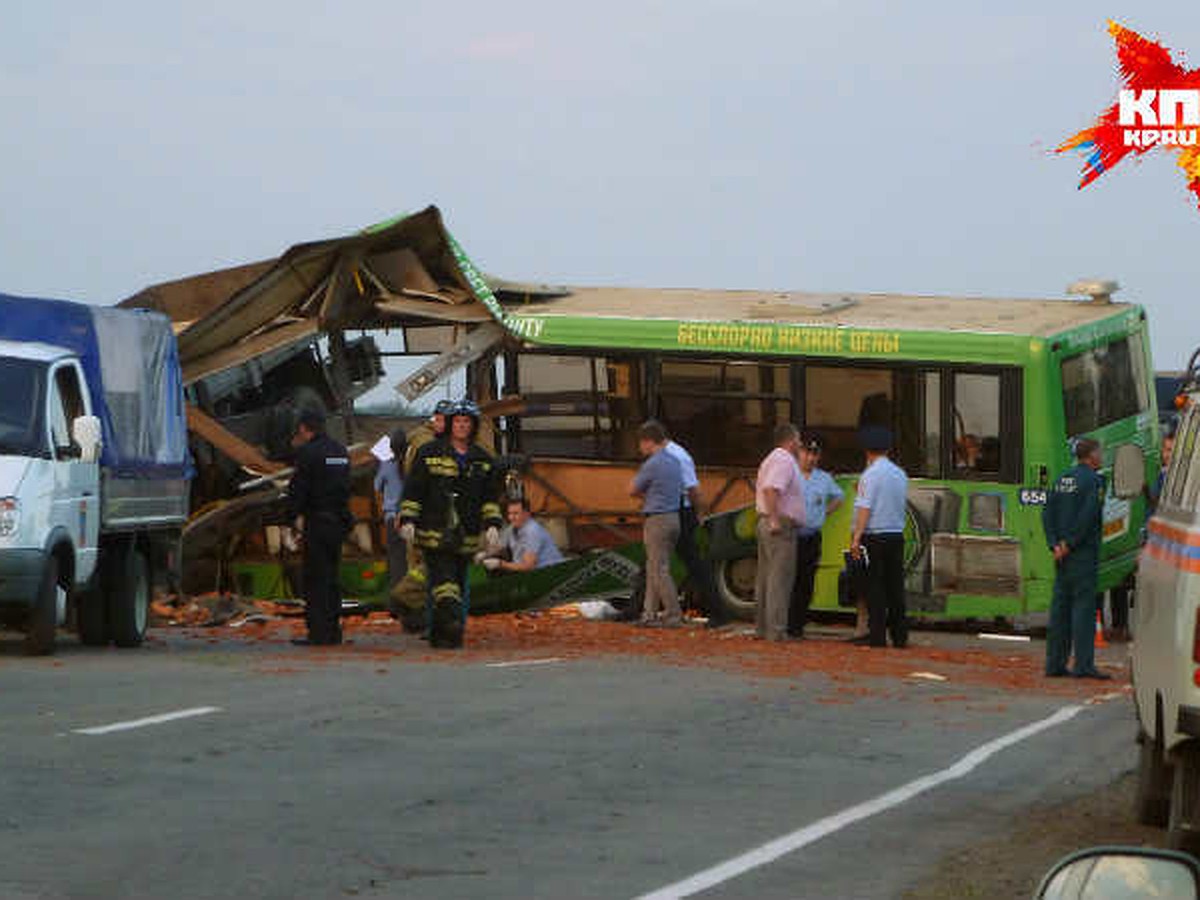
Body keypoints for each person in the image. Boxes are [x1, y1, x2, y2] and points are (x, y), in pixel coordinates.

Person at [399, 399, 502, 649]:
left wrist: (492, 524)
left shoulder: (483, 459)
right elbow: (414, 490)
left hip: (465, 537)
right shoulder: (429, 453)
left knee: (452, 582)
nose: (462, 426)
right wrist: (408, 519)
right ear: (449, 424)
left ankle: (442, 635)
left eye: (467, 422)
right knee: (445, 584)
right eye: (457, 421)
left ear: (474, 425)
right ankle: (452, 629)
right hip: (434, 533)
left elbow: (489, 497)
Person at [1043, 437, 1110, 679]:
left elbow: (1046, 513)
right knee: (1083, 609)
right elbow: (1088, 516)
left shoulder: (1062, 479)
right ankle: (1083, 665)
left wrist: (1055, 545)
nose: (1101, 456)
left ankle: (1054, 664)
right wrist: (1069, 544)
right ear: (1091, 456)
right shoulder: (1095, 481)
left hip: (1060, 556)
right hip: (1081, 554)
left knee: (1060, 609)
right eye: (1099, 452)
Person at [285, 407, 353, 646]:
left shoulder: (308, 453)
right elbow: (346, 486)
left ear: (304, 429)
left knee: (315, 579)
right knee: (332, 578)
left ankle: (318, 634)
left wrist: (290, 519)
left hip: (317, 522)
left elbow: (298, 490)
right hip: (338, 522)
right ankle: (334, 631)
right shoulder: (340, 451)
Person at [850, 426, 909, 649]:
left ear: (867, 450)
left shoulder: (869, 475)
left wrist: (856, 538)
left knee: (874, 587)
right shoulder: (900, 474)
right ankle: (900, 636)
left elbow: (864, 508)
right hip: (896, 536)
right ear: (888, 449)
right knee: (895, 587)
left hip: (874, 537)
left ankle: (877, 636)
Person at [663, 434, 727, 627]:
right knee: (657, 560)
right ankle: (639, 607)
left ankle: (717, 611)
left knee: (694, 563)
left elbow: (693, 489)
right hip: (676, 511)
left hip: (681, 512)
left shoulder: (677, 456)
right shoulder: (672, 454)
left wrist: (698, 515)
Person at [630, 420, 685, 627]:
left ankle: (673, 614)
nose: (639, 448)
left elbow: (632, 490)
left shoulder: (653, 463)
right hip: (674, 517)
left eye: (640, 443)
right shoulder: (675, 461)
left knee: (659, 569)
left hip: (657, 520)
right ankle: (649, 614)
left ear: (648, 441)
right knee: (654, 566)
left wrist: (646, 492)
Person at [789, 431, 844, 638]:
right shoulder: (790, 474)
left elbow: (839, 497)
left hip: (812, 536)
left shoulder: (824, 478)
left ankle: (797, 627)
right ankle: (783, 623)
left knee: (806, 582)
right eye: (806, 453)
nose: (810, 458)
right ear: (799, 453)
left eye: (815, 454)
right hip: (791, 536)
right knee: (788, 581)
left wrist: (824, 513)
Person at [755, 423, 805, 642]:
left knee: (767, 578)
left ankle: (764, 628)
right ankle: (776, 630)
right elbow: (771, 489)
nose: (801, 444)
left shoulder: (773, 458)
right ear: (791, 440)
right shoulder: (784, 460)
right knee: (779, 579)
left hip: (769, 521)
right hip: (780, 525)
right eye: (799, 440)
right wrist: (775, 519)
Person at [484, 497, 564, 574]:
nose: (511, 517)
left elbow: (528, 566)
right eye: (510, 513)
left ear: (527, 514)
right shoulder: (512, 528)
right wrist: (488, 550)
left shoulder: (533, 531)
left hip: (550, 573)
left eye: (516, 513)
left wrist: (500, 564)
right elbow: (500, 548)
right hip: (526, 572)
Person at [372, 428, 407, 593]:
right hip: (409, 518)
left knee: (395, 560)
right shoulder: (410, 464)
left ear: (391, 448)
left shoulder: (386, 465)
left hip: (392, 518)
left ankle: (396, 599)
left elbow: (376, 486)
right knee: (410, 560)